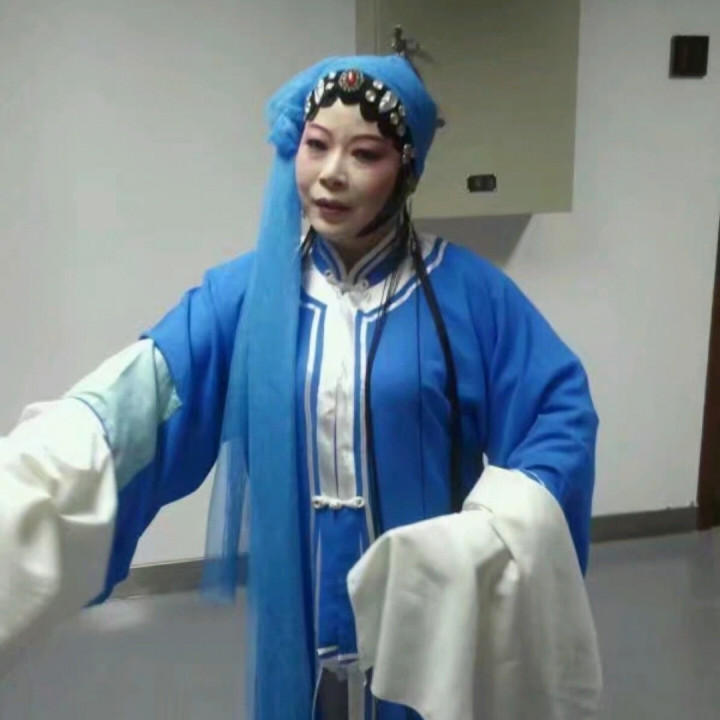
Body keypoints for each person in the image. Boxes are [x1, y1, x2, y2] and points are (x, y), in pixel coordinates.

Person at [0, 54, 598, 719]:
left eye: (364, 153)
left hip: (425, 610)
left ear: (407, 168)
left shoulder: (469, 295)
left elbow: (558, 415)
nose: (331, 173)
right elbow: (141, 400)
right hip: (301, 611)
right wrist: (35, 475)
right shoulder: (247, 296)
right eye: (316, 145)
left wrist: (491, 534)